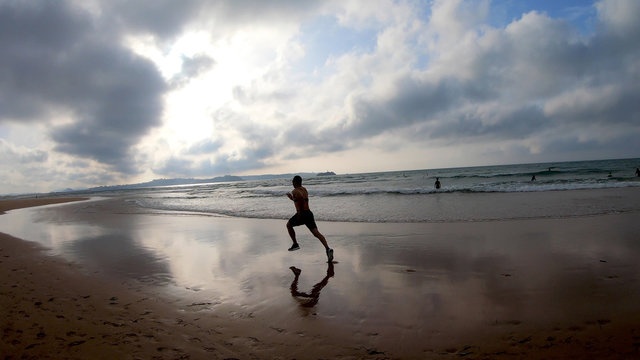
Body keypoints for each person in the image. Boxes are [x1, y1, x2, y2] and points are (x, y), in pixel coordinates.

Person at [286, 175, 333, 262]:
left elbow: (299, 201)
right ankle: (328, 248)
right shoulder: (304, 189)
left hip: (302, 213)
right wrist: (291, 198)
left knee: (289, 225)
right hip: (309, 213)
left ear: (295, 182)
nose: (292, 183)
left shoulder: (295, 191)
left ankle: (295, 244)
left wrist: (299, 212)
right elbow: (302, 199)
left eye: (293, 181)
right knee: (316, 233)